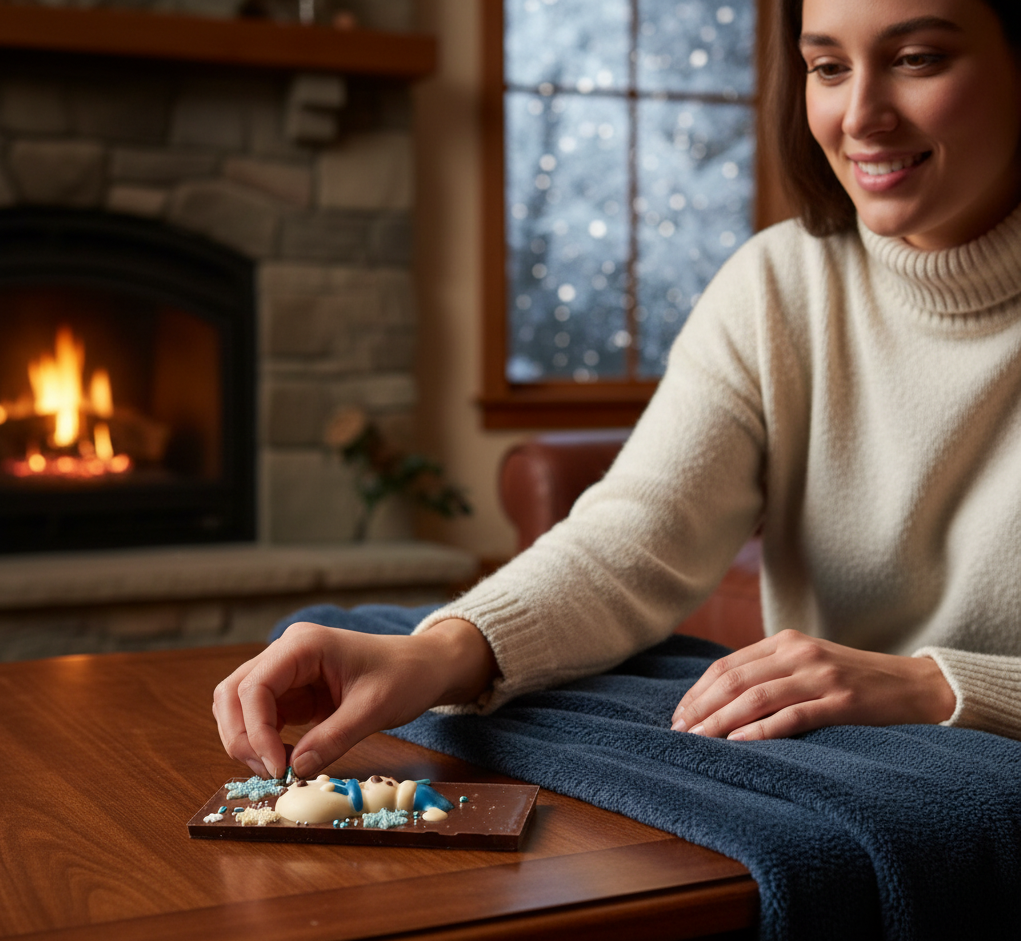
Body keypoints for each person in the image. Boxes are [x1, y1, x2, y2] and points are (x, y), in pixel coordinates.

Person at [215, 0, 1021, 782]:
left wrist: (935, 686)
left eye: (916, 59)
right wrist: (436, 653)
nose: (859, 115)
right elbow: (636, 537)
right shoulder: (779, 283)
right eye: (828, 67)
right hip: (840, 785)